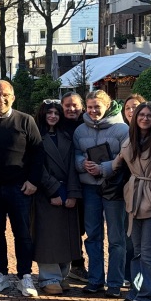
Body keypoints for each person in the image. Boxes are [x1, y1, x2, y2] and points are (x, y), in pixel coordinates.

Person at [0, 80, 42, 297]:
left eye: (5, 95)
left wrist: (33, 181)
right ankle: (0, 274)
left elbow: (38, 153)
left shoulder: (26, 120)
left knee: (22, 233)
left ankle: (25, 276)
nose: (1, 99)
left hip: (20, 188)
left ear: (13, 97)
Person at [112, 102, 151, 301]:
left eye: (150, 115)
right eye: (141, 115)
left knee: (148, 251)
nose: (145, 118)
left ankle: (149, 298)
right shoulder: (131, 140)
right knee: (137, 251)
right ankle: (136, 293)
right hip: (134, 200)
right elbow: (117, 163)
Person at [73, 90, 129, 297]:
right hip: (90, 188)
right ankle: (95, 280)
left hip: (114, 188)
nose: (93, 111)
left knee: (116, 237)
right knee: (93, 235)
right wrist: (83, 164)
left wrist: (104, 168)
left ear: (107, 106)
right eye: (90, 107)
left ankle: (115, 282)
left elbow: (126, 157)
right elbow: (76, 153)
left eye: (97, 107)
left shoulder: (122, 129)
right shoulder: (80, 130)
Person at [31, 101, 81, 296]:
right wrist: (53, 191)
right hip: (46, 193)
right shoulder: (36, 137)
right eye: (49, 112)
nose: (52, 116)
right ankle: (49, 278)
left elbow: (73, 166)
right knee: (48, 236)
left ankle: (62, 275)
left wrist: (73, 193)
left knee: (67, 235)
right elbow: (37, 167)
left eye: (56, 113)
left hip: (67, 190)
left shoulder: (67, 137)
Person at [60, 91, 88, 283]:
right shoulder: (57, 125)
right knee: (70, 227)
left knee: (84, 226)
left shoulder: (88, 124)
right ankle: (76, 265)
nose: (71, 109)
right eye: (67, 105)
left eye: (75, 105)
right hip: (65, 183)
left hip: (87, 182)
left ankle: (79, 266)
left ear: (82, 107)